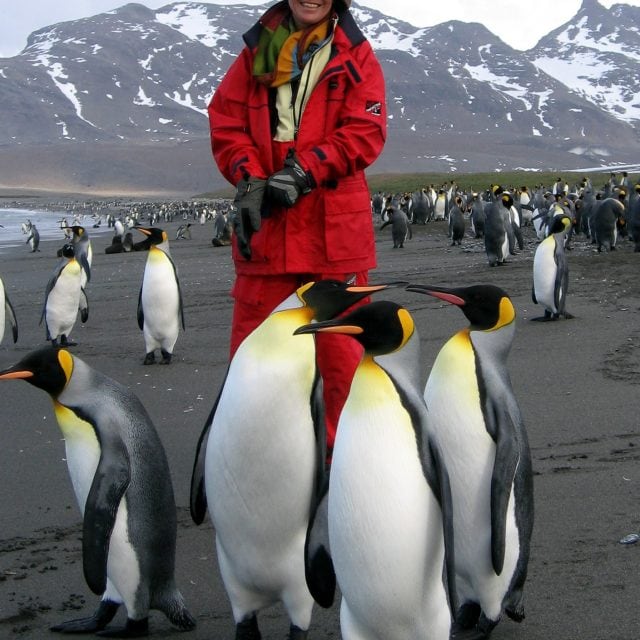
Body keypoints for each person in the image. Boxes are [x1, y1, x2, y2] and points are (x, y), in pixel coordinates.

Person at [208, 0, 386, 457]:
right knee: (253, 374)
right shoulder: (257, 52)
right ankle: (260, 475)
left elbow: (366, 129)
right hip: (267, 232)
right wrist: (248, 177)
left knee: (344, 369)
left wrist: (307, 169)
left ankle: (342, 472)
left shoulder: (355, 54)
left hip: (332, 239)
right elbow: (226, 122)